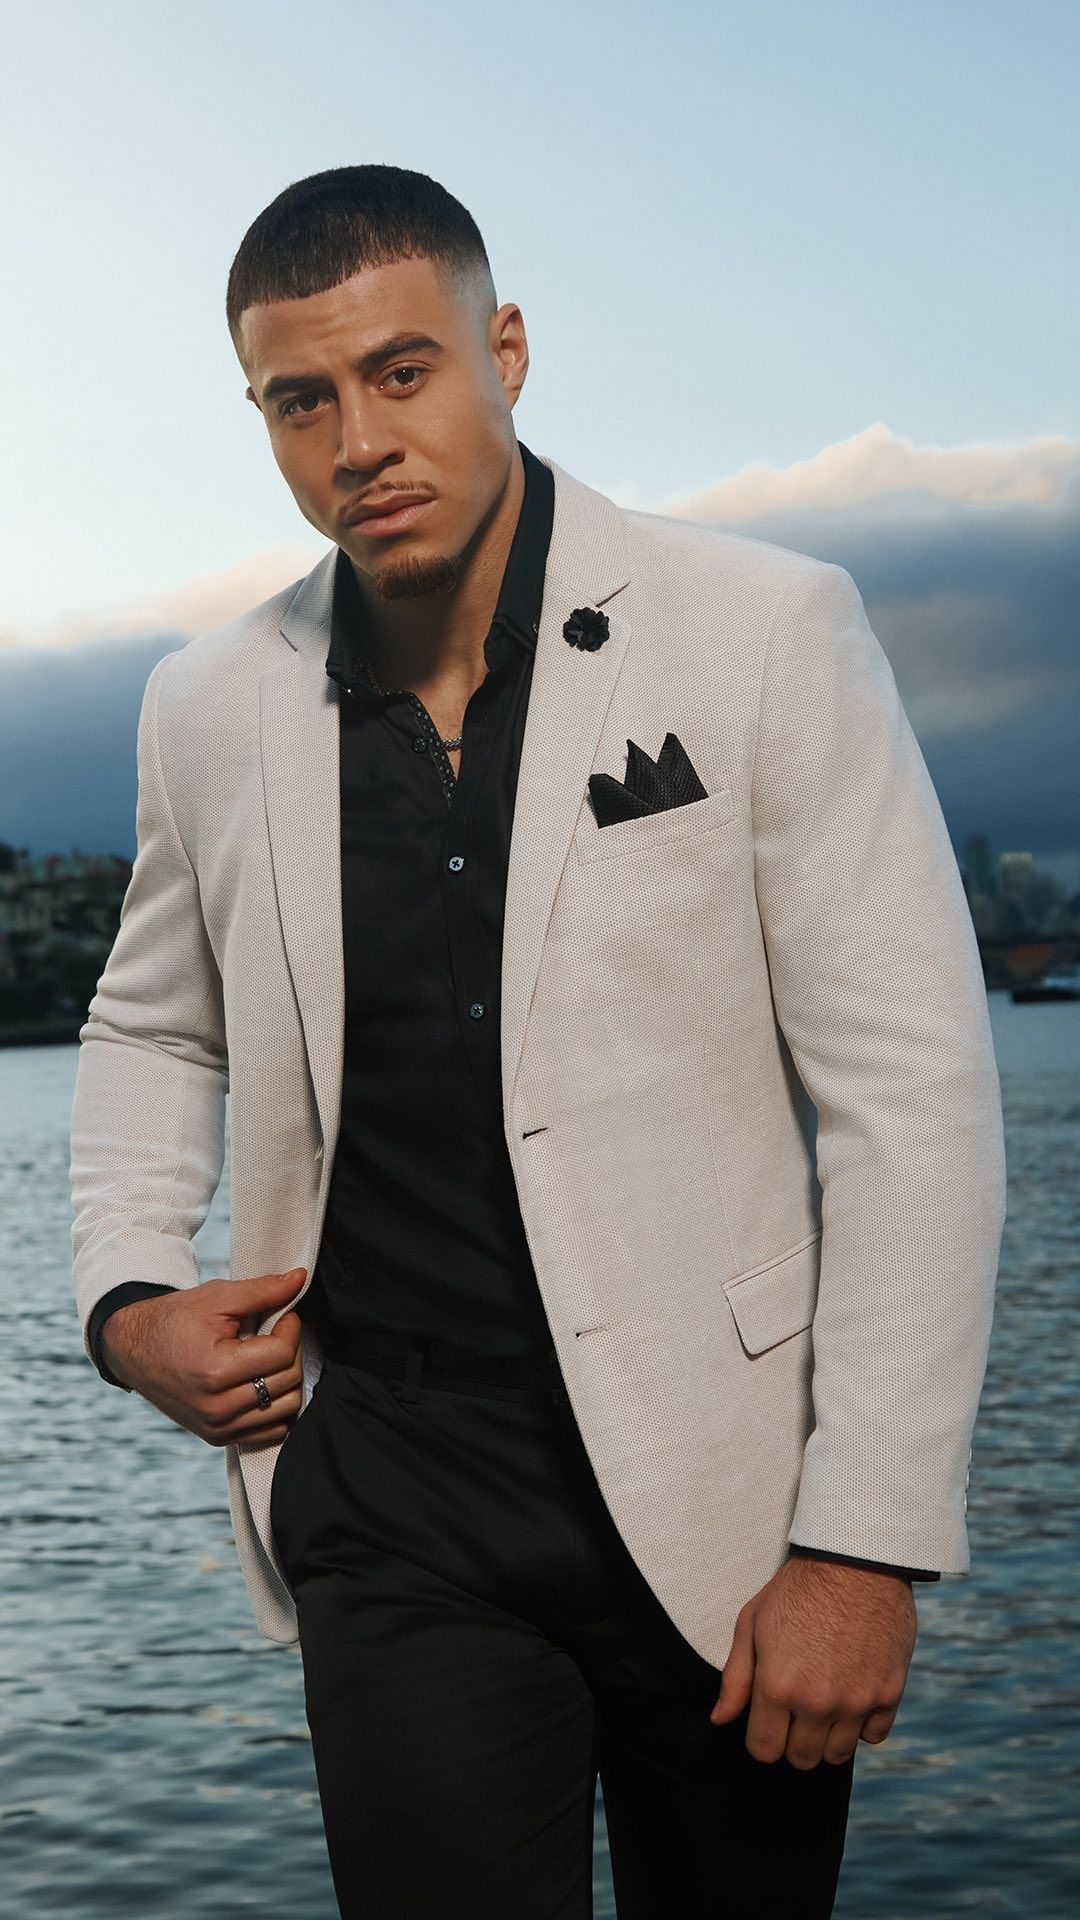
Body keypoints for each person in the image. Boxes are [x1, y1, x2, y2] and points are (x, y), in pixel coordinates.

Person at [69, 164, 1006, 1919]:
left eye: (402, 371)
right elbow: (148, 1024)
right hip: (389, 1498)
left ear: (504, 350)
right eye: (300, 400)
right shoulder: (203, 706)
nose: (359, 441)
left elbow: (914, 1100)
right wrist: (127, 1299)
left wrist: (865, 1543)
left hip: (730, 1504)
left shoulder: (765, 628)